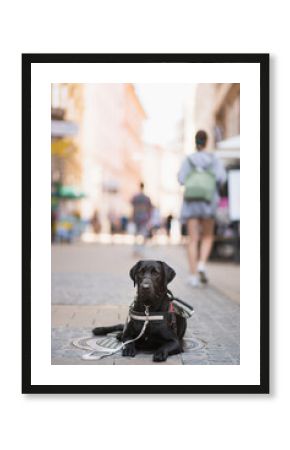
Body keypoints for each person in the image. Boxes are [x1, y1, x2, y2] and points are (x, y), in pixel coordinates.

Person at [177, 130, 226, 287]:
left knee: (193, 239)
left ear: (195, 142)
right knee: (207, 237)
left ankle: (193, 276)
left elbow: (181, 179)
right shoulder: (214, 159)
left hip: (191, 202)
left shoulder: (188, 160)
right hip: (208, 202)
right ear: (207, 142)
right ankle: (202, 264)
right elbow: (221, 178)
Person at [131, 182, 152, 256]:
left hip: (137, 217)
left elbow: (133, 208)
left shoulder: (135, 197)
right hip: (144, 218)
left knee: (136, 234)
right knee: (144, 235)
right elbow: (149, 209)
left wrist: (132, 217)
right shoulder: (147, 198)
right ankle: (142, 250)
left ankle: (136, 250)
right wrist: (149, 218)